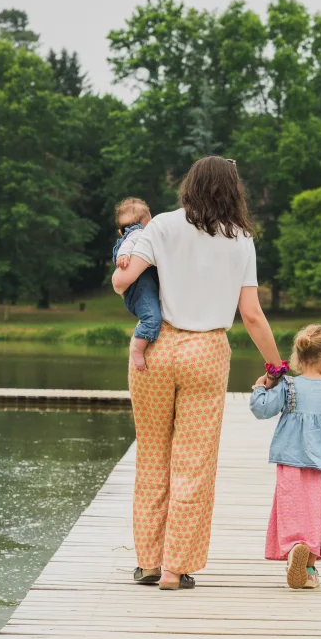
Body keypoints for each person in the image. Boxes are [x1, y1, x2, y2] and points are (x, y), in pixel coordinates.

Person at [112, 156, 283, 591]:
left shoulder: (162, 225)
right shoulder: (240, 238)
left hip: (156, 347)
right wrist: (275, 365)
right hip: (206, 352)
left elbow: (123, 281)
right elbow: (251, 314)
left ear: (190, 185)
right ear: (232, 191)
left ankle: (148, 563)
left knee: (153, 455)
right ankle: (175, 568)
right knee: (194, 463)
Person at [250, 324, 321, 590]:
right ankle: (308, 570)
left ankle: (294, 549)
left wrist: (260, 387)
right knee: (316, 513)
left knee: (292, 509)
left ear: (299, 357)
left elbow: (261, 410)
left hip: (290, 460)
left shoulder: (288, 386)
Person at [112, 198, 161, 371]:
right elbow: (130, 242)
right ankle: (137, 350)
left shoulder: (130, 235)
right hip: (141, 288)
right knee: (152, 318)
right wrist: (123, 255)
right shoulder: (139, 233)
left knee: (149, 316)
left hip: (138, 288)